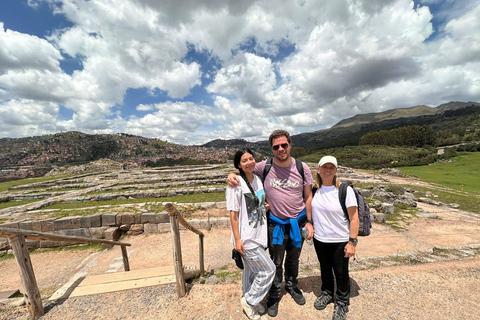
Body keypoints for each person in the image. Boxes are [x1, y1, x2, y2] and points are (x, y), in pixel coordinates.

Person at [228, 130, 314, 317]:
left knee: (294, 258)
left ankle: (292, 286)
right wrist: (230, 175)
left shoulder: (302, 167)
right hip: (274, 224)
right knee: (275, 262)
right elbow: (243, 170)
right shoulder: (263, 166)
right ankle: (274, 294)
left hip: (297, 223)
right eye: (276, 146)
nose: (281, 149)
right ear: (272, 149)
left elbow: (308, 196)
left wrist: (309, 221)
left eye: (284, 145)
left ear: (290, 144)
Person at [306, 155, 359, 320]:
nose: (328, 170)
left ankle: (342, 302)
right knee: (324, 268)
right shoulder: (315, 191)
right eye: (325, 167)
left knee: (341, 272)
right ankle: (327, 292)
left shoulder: (345, 191)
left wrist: (352, 242)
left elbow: (354, 218)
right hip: (320, 239)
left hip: (340, 240)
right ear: (319, 170)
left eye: (331, 167)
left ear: (336, 171)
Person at [227, 148, 275, 320]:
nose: (249, 162)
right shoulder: (235, 184)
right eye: (244, 160)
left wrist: (264, 206)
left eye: (251, 158)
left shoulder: (258, 180)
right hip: (247, 238)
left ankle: (252, 302)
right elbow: (234, 214)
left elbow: (258, 204)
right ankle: (250, 300)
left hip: (259, 234)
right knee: (269, 270)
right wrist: (238, 239)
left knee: (250, 272)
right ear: (238, 165)